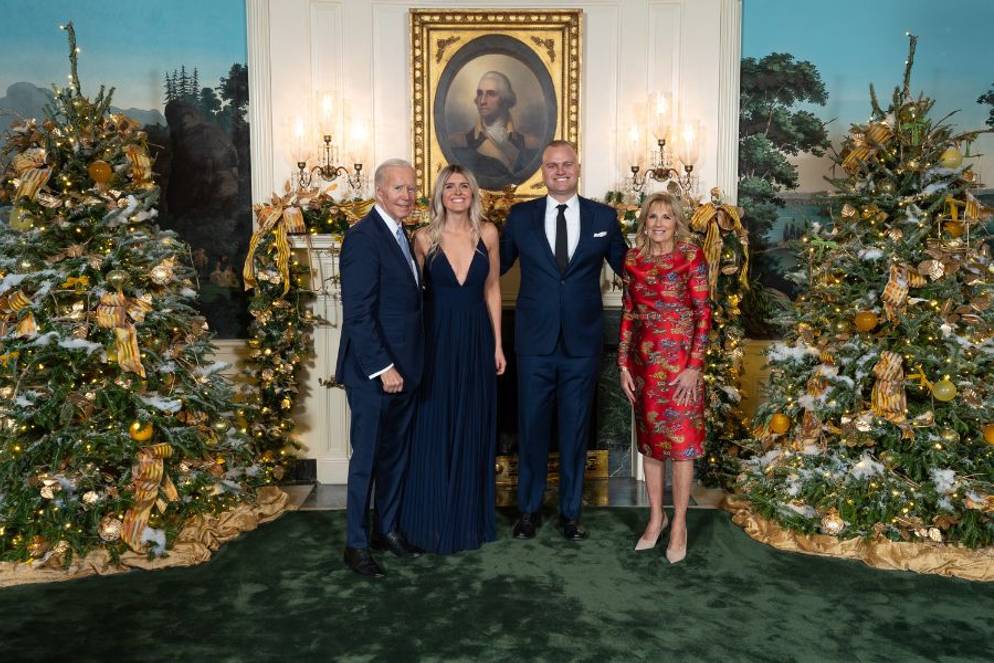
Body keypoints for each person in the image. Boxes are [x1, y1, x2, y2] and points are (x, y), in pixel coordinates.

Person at [500, 140, 627, 541]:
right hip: (534, 344)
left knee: (575, 431)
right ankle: (529, 510)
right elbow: (494, 265)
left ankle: (571, 514)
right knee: (531, 429)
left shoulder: (603, 216)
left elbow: (631, 267)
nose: (559, 171)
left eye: (566, 164)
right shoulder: (520, 217)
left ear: (577, 167)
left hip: (582, 344)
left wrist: (671, 259)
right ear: (542, 170)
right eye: (552, 165)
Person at [400, 164, 506, 554]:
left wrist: (497, 345)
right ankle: (428, 521)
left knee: (472, 423)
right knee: (433, 424)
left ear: (473, 192)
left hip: (477, 339)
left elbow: (492, 289)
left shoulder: (489, 233)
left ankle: (468, 521)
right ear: (439, 194)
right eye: (450, 186)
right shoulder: (423, 238)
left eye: (464, 185)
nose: (457, 192)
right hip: (435, 340)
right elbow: (413, 299)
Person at [335, 158, 424, 577]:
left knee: (394, 456)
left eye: (410, 188)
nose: (407, 196)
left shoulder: (403, 235)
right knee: (366, 460)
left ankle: (385, 530)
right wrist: (384, 367)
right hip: (375, 373)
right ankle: (355, 545)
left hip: (405, 370)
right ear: (379, 192)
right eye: (398, 189)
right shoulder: (363, 238)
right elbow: (357, 314)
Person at [618, 192, 712, 564]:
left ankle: (679, 525)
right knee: (652, 445)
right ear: (644, 222)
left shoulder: (691, 256)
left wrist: (694, 366)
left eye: (666, 217)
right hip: (644, 367)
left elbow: (703, 313)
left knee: (681, 446)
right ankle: (656, 518)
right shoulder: (632, 260)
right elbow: (628, 312)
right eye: (653, 217)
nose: (659, 223)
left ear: (677, 223)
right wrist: (623, 365)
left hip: (681, 369)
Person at [448, 71, 539, 190]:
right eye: (480, 93)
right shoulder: (458, 144)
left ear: (505, 100)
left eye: (491, 94)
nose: (482, 101)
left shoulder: (531, 145)